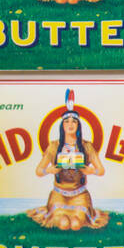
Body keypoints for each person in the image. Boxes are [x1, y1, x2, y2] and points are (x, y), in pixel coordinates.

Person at [27, 89, 109, 231]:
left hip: (80, 195)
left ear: (78, 126)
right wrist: (50, 170)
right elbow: (39, 171)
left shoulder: (86, 146)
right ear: (62, 126)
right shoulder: (54, 146)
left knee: (76, 224)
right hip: (59, 195)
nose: (70, 124)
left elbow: (101, 170)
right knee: (64, 223)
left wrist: (90, 170)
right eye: (66, 122)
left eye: (74, 122)